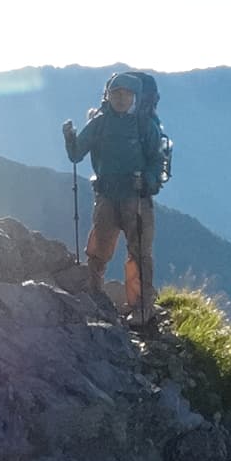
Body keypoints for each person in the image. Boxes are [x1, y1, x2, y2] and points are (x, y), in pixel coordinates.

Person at [63, 69, 169, 319]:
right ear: (108, 96)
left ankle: (138, 306)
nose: (121, 99)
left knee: (137, 252)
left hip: (132, 198)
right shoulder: (102, 122)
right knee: (103, 246)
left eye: (126, 94)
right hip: (116, 196)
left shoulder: (140, 125)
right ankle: (105, 295)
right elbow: (76, 153)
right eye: (116, 94)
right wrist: (70, 139)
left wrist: (149, 179)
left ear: (135, 97)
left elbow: (157, 159)